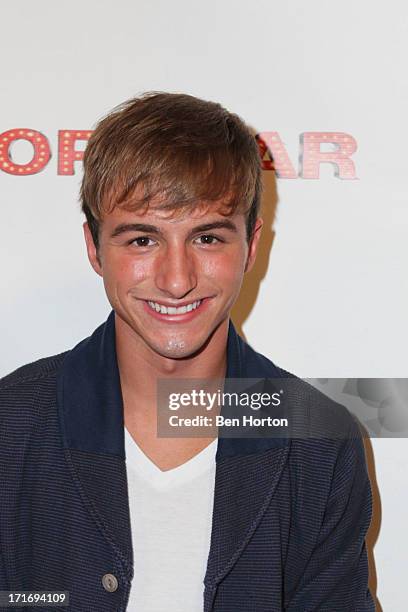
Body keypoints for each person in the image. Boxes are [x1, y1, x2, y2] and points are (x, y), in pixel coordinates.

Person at [0, 92, 375, 611]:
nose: (177, 281)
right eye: (141, 241)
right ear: (94, 247)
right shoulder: (11, 424)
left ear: (251, 245)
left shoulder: (315, 437)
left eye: (207, 238)